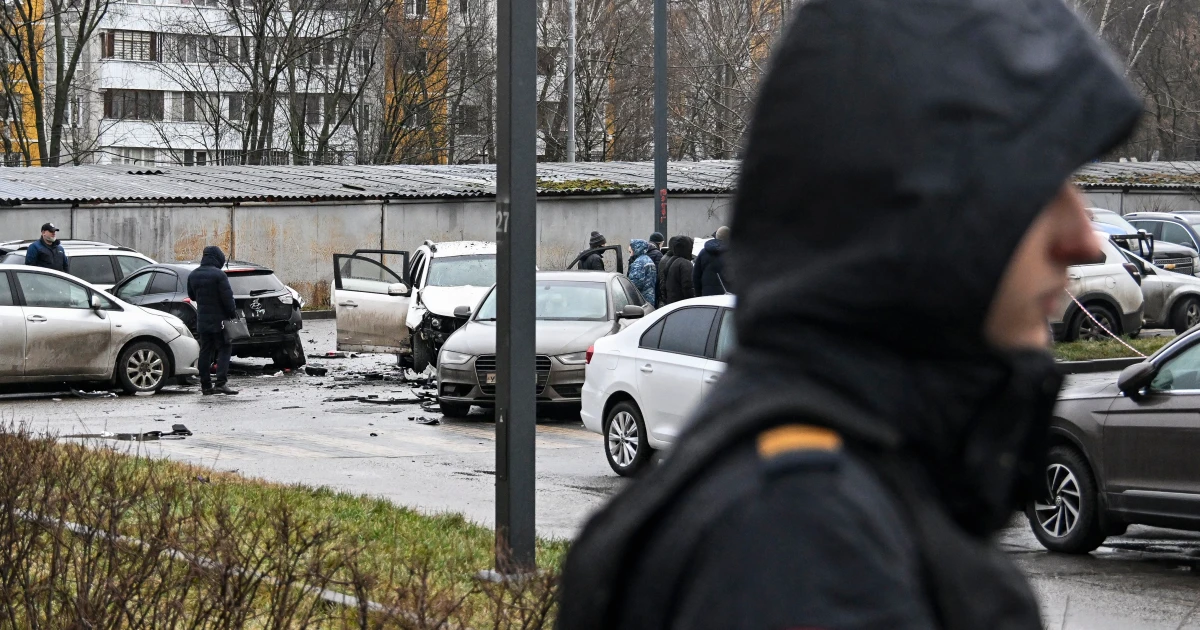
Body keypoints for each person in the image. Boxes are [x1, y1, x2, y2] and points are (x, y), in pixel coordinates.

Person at [557, 0, 1142, 628]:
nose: (1083, 236)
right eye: (1041, 181)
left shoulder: (825, 507)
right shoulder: (801, 546)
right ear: (918, 200)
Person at [187, 246, 239, 396]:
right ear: (217, 258)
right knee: (224, 348)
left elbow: (193, 296)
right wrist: (232, 314)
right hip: (220, 321)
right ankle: (221, 383)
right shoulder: (219, 275)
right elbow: (228, 299)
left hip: (202, 320)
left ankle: (206, 386)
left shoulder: (193, 275)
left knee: (205, 351)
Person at [692, 226, 728, 296]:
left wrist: (698, 295)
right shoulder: (734, 254)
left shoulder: (703, 252)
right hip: (728, 299)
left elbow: (696, 277)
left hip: (708, 298)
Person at [658, 235, 695, 305]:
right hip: (683, 305)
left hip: (672, 304)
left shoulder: (671, 261)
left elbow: (663, 285)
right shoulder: (685, 263)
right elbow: (688, 287)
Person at [627, 239, 656, 306]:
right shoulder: (648, 259)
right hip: (650, 297)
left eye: (631, 250)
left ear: (637, 248)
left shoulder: (639, 263)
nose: (630, 252)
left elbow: (635, 283)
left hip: (641, 299)